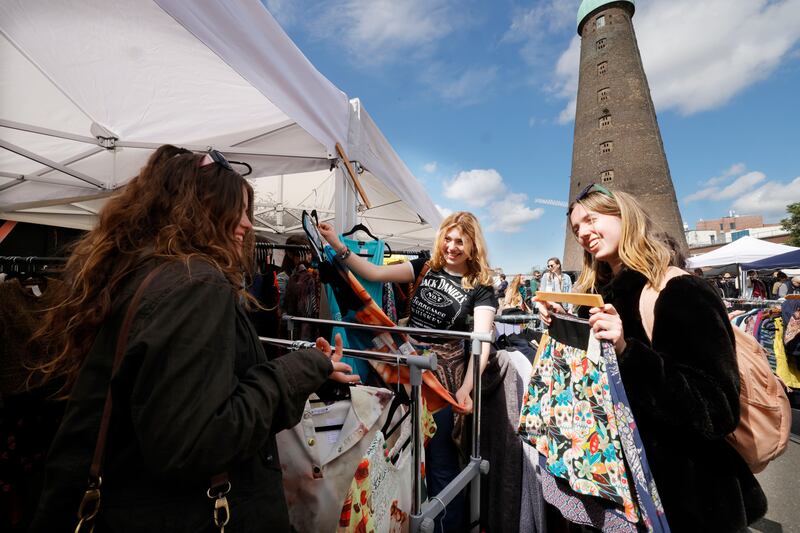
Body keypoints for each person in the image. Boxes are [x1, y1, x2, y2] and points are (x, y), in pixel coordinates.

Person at [29, 145, 356, 532]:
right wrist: (299, 368)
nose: (248, 225)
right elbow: (198, 440)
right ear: (199, 210)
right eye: (237, 209)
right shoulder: (195, 284)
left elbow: (185, 388)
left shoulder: (138, 274)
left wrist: (313, 368)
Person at [537, 185, 766, 531]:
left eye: (591, 219)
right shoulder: (598, 295)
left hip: (685, 497)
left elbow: (717, 409)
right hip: (620, 486)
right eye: (575, 228)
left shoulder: (679, 290)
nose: (583, 232)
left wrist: (628, 352)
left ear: (622, 215)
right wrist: (563, 326)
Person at [319, 211, 497, 532]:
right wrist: (336, 245)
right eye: (448, 238)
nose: (452, 246)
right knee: (398, 450)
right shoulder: (426, 265)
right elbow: (373, 273)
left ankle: (446, 527)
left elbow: (481, 343)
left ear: (474, 245)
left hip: (440, 381)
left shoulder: (481, 287)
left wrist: (467, 388)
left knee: (439, 459)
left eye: (461, 241)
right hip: (405, 368)